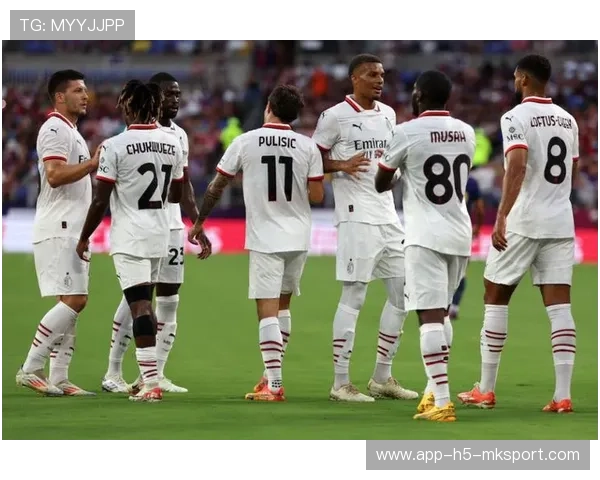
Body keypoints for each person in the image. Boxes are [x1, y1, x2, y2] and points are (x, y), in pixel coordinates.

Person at [458, 55, 579, 414]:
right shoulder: (569, 120)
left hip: (524, 219)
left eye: (515, 76)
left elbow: (518, 165)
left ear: (524, 79)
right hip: (560, 219)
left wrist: (501, 216)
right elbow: (571, 169)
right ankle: (562, 395)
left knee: (495, 294)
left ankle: (485, 389)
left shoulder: (515, 117)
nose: (513, 81)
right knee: (560, 306)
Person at [188, 84, 325, 402]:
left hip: (265, 236)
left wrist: (199, 221)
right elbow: (318, 196)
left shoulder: (245, 141)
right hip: (299, 235)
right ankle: (269, 375)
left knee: (266, 311)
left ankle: (274, 385)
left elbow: (217, 185)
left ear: (268, 107)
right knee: (283, 306)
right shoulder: (308, 146)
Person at [311, 53, 417, 402]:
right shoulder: (335, 116)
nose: (379, 80)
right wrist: (341, 164)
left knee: (403, 294)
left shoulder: (388, 115)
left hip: (388, 216)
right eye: (371, 74)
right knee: (354, 294)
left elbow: (389, 159)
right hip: (356, 216)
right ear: (354, 78)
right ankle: (340, 383)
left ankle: (382, 377)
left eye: (381, 74)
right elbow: (312, 158)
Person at [375, 70, 476, 422]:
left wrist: (400, 169)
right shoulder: (467, 132)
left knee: (428, 316)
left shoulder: (406, 132)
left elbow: (381, 182)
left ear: (418, 95)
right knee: (442, 312)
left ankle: (443, 402)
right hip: (459, 232)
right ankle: (433, 389)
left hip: (425, 235)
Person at [76, 80, 186, 403]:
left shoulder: (115, 146)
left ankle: (149, 383)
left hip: (130, 237)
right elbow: (176, 194)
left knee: (139, 306)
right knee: (143, 303)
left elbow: (100, 200)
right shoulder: (173, 143)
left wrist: (84, 237)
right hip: (160, 235)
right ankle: (147, 378)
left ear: (128, 106)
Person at [101, 72, 208, 395]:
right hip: (142, 227)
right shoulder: (131, 134)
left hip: (170, 228)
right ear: (153, 98)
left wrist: (197, 223)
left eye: (177, 95)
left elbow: (184, 187)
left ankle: (154, 374)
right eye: (168, 95)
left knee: (169, 302)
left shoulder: (179, 136)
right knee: (136, 299)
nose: (174, 100)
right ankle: (114, 371)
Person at [16, 69, 100, 397]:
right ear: (60, 97)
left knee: (70, 303)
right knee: (76, 300)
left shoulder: (71, 131)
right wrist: (92, 164)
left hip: (73, 228)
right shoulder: (54, 128)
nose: (85, 95)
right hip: (59, 226)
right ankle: (30, 367)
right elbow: (53, 175)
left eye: (85, 89)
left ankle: (60, 377)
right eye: (78, 90)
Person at [448, 174, 485, 320]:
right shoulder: (471, 182)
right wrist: (477, 228)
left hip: (442, 228)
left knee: (441, 269)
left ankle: (441, 305)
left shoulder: (445, 176)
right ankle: (454, 306)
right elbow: (480, 208)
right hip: (463, 231)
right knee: (461, 271)